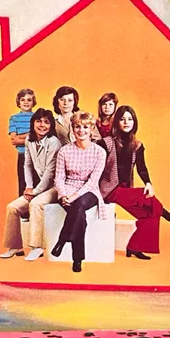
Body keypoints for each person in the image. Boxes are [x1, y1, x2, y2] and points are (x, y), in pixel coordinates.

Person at [99, 104, 170, 260]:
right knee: (151, 203)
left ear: (134, 122)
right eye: (122, 119)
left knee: (150, 215)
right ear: (117, 122)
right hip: (109, 190)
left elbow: (142, 168)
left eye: (130, 119)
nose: (126, 122)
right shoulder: (106, 143)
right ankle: (163, 210)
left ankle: (134, 247)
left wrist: (149, 183)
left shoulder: (137, 146)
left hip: (125, 190)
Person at [0, 108, 61, 261]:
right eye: (38, 121)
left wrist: (35, 191)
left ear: (51, 125)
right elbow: (27, 165)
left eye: (46, 122)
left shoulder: (54, 142)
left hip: (55, 187)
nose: (42, 125)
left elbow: (50, 172)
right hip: (38, 187)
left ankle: (37, 247)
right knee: (12, 207)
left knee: (35, 204)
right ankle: (15, 246)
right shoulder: (29, 140)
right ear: (33, 123)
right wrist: (28, 186)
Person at [52, 111, 107, 273]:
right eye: (77, 126)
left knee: (79, 203)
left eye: (85, 127)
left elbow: (93, 181)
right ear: (72, 129)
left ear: (91, 129)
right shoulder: (64, 151)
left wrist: (74, 196)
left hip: (90, 190)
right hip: (67, 188)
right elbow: (59, 178)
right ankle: (77, 259)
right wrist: (63, 195)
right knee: (79, 213)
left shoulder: (99, 152)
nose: (81, 130)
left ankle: (62, 240)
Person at [8, 88, 36, 196]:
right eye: (23, 99)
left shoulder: (36, 117)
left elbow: (38, 137)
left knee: (37, 184)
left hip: (36, 155)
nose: (26, 102)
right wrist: (31, 136)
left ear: (33, 102)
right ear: (18, 102)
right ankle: (23, 207)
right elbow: (14, 139)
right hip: (22, 155)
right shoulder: (14, 118)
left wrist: (21, 138)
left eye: (29, 100)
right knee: (23, 184)